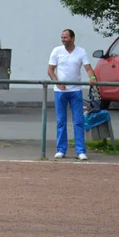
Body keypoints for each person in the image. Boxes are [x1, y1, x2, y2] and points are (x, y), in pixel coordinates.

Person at [48, 29, 97, 161]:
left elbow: (88, 68)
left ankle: (80, 150)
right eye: (62, 37)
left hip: (75, 90)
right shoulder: (56, 51)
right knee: (61, 121)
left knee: (78, 121)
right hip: (60, 91)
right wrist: (57, 82)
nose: (63, 39)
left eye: (66, 37)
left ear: (73, 38)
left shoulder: (81, 51)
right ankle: (61, 149)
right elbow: (50, 70)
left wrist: (92, 76)